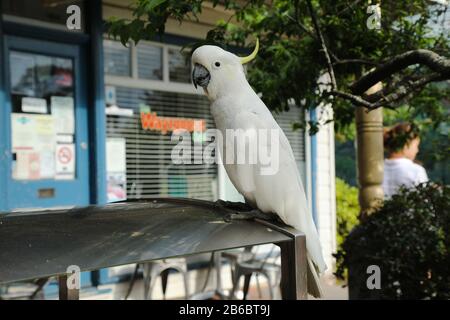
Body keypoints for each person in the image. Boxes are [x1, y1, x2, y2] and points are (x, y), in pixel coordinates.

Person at [383, 122, 428, 198]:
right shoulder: (416, 171)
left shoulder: (376, 168)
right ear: (406, 144)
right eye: (416, 146)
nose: (417, 150)